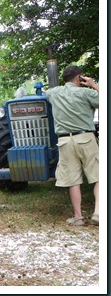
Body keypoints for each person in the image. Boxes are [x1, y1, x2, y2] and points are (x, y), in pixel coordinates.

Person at [46, 65, 99, 226]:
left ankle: (78, 217)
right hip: (86, 138)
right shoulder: (87, 93)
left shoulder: (54, 93)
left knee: (73, 180)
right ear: (79, 78)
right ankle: (98, 213)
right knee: (99, 176)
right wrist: (93, 85)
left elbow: (45, 94)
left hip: (64, 141)